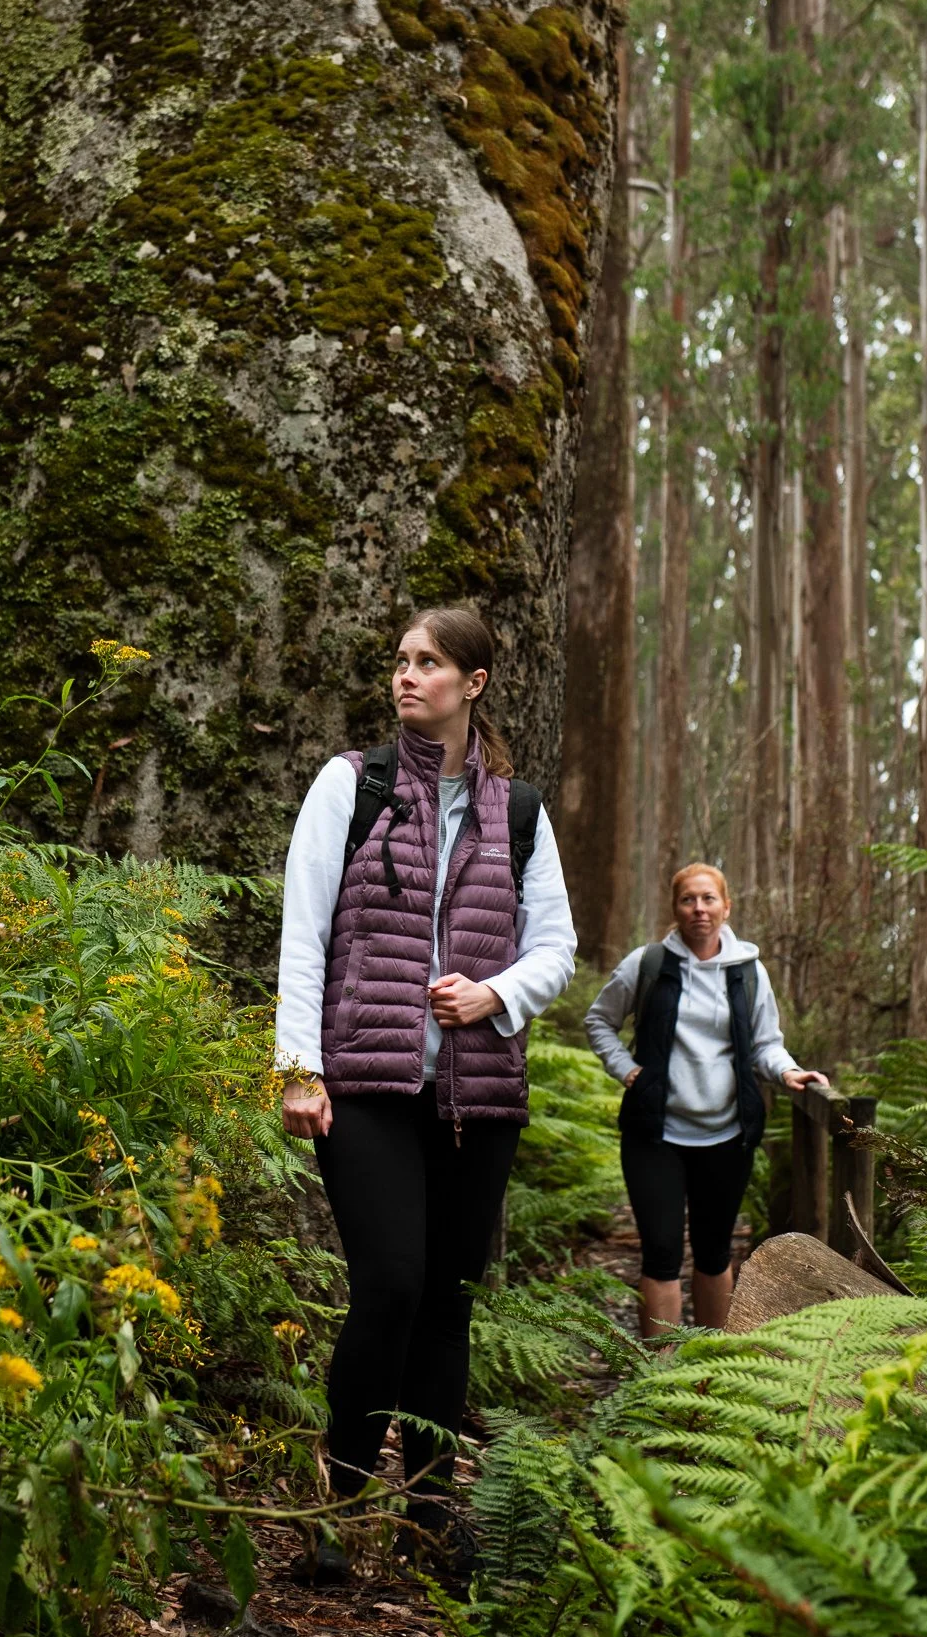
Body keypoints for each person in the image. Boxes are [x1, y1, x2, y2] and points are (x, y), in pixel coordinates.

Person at [276, 607, 576, 1576]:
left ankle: (432, 1513)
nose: (408, 677)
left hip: (477, 1094)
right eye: (402, 661)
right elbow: (304, 934)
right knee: (392, 1282)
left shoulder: (518, 811)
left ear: (474, 681)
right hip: (363, 1081)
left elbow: (558, 948)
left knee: (447, 1300)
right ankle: (342, 1502)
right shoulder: (349, 786)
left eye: (430, 662)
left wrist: (496, 993)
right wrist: (298, 1068)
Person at [584, 864, 826, 1339]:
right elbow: (599, 1022)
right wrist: (627, 1070)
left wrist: (788, 1071)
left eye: (709, 899)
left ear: (726, 906)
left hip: (726, 1135)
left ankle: (709, 1373)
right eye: (688, 900)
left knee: (715, 1254)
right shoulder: (648, 964)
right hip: (655, 1134)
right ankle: (660, 1382)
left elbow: (765, 1044)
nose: (699, 909)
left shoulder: (748, 971)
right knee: (661, 1254)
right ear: (675, 909)